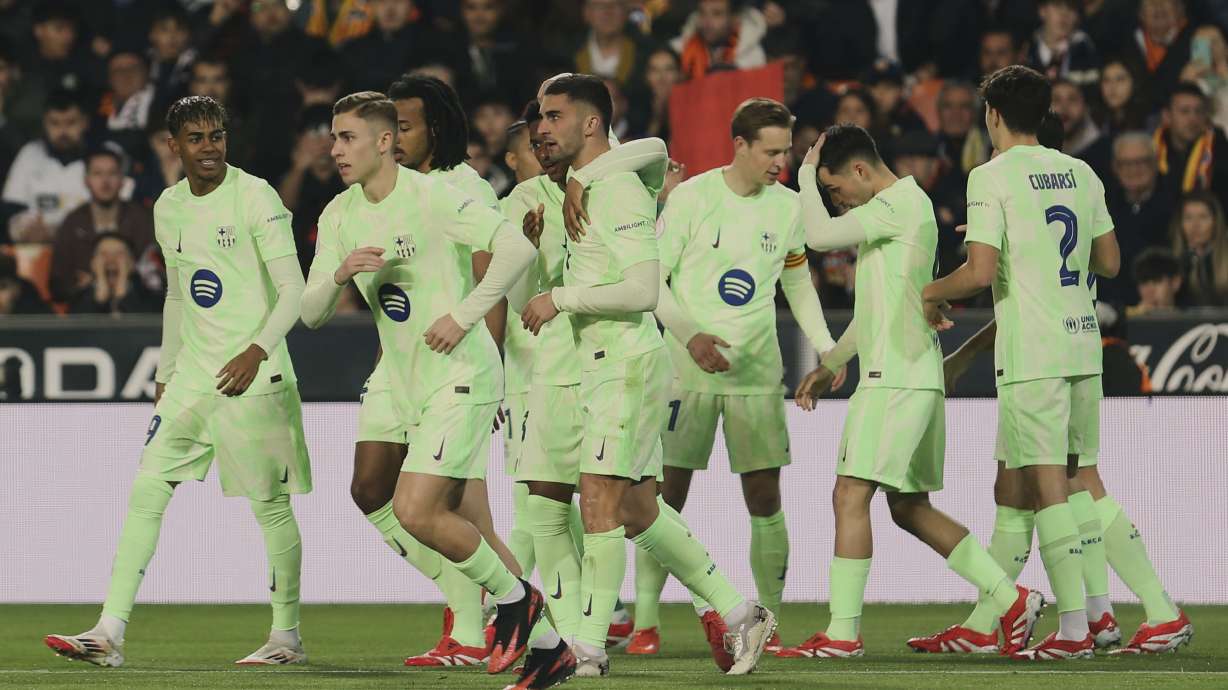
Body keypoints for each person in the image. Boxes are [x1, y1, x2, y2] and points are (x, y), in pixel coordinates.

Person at [299, 91, 576, 689]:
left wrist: (466, 314)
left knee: (417, 509)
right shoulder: (340, 213)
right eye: (333, 136)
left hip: (460, 374)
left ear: (382, 142)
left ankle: (511, 602)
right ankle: (549, 646)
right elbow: (312, 312)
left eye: (347, 137)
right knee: (378, 493)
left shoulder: (436, 197)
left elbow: (516, 247)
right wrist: (339, 274)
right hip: (398, 379)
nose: (335, 148)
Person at [923, 64, 1191, 659]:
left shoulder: (989, 177)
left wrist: (927, 293)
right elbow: (1112, 263)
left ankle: (1078, 628)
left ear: (992, 115)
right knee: (1061, 483)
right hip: (1081, 344)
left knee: (1054, 489)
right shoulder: (1082, 172)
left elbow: (980, 274)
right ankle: (1079, 617)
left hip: (1033, 355)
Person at [519, 74, 775, 677]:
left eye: (554, 116)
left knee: (599, 498)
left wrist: (561, 296)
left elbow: (639, 288)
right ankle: (739, 614)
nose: (541, 127)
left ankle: (586, 645)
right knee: (636, 508)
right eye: (539, 116)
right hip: (599, 362)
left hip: (627, 362)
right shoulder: (577, 190)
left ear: (588, 124)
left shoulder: (622, 191)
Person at [44, 95, 312, 667]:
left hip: (254, 374)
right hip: (194, 377)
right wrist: (167, 373)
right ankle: (108, 631)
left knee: (270, 507)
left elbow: (295, 290)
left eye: (217, 135)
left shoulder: (257, 196)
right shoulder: (167, 207)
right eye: (196, 138)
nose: (209, 147)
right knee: (147, 488)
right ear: (174, 146)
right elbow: (178, 294)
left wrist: (255, 351)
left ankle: (285, 636)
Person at [775, 123, 1039, 660]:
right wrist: (832, 363)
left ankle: (843, 635)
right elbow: (879, 308)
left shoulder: (896, 203)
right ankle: (1011, 600)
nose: (836, 201)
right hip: (914, 375)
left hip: (893, 380)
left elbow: (818, 236)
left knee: (849, 494)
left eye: (834, 189)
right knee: (909, 506)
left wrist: (802, 172)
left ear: (860, 171)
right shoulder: (902, 209)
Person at [628, 97, 839, 659]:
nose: (780, 162)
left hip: (755, 375)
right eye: (771, 151)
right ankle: (645, 622)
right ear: (739, 146)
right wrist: (692, 335)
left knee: (765, 498)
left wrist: (826, 348)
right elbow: (655, 282)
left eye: (786, 151)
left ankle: (767, 619)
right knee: (660, 498)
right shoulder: (693, 197)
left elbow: (798, 285)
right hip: (682, 375)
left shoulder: (789, 208)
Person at [51, 147, 155, 303]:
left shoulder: (141, 218)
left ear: (122, 180)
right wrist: (79, 286)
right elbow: (57, 282)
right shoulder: (73, 222)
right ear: (86, 180)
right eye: (97, 173)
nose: (105, 181)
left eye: (112, 173)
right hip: (85, 307)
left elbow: (154, 274)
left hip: (135, 304)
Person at [3, 88, 90, 242]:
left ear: (84, 123)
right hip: (37, 248)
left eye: (70, 122)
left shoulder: (102, 155)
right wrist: (24, 229)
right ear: (44, 123)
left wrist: (60, 233)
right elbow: (11, 208)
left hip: (88, 248)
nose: (63, 131)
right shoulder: (30, 153)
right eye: (55, 123)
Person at [1099, 132, 1175, 306]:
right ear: (1115, 167)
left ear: (1156, 163)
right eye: (1125, 164)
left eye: (1141, 162)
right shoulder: (1103, 205)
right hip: (1112, 307)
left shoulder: (1174, 203)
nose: (1133, 170)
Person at [277, 105, 344, 272]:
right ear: (299, 139)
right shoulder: (293, 178)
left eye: (331, 135)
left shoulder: (349, 177)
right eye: (315, 134)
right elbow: (280, 211)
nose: (323, 143)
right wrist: (298, 169)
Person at [1154, 83, 1228, 210]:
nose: (1193, 118)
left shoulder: (1218, 148)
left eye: (1198, 112)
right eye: (1185, 111)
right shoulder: (1152, 147)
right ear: (1167, 116)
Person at [671, 0, 767, 81]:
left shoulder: (753, 57)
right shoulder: (678, 51)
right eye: (702, 13)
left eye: (716, 14)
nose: (707, 22)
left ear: (734, 19)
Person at [68, 232, 161, 315]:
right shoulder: (77, 298)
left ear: (132, 264)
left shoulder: (152, 297)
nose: (111, 259)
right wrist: (100, 296)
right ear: (93, 263)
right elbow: (80, 330)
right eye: (104, 254)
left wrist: (123, 294)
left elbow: (146, 327)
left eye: (119, 254)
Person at [573, 0, 651, 92]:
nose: (607, 12)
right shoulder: (567, 53)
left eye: (615, 5)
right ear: (586, 12)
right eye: (599, 6)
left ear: (626, 12)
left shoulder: (647, 54)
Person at [1170, 190, 1228, 305]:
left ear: (1216, 222)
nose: (1195, 225)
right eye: (1188, 218)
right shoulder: (1173, 263)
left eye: (1203, 217)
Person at [1027, 0, 1101, 89]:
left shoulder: (1087, 49)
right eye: (1057, 5)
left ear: (1077, 15)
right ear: (1042, 10)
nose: (1064, 13)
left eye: (1071, 7)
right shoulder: (1026, 49)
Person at [1051, 78, 1111, 176]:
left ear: (1086, 108)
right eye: (1056, 100)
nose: (1064, 107)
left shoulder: (1104, 155)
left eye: (1072, 99)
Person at [1094, 59, 1150, 135]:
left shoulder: (1150, 121)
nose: (1112, 87)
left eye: (1120, 79)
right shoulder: (1093, 123)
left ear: (1134, 84)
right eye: (1106, 80)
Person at [1128, 247, 1184, 316]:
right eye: (1144, 283)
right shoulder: (1130, 322)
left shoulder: (1193, 322)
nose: (1149, 291)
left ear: (1175, 282)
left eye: (1156, 282)